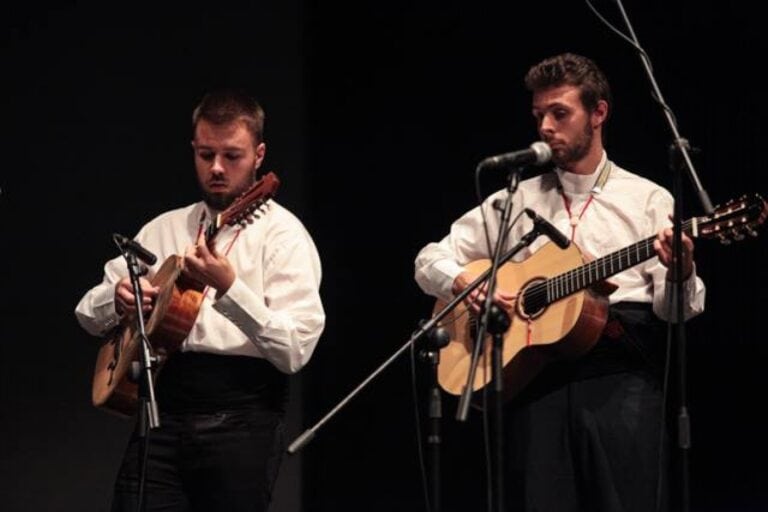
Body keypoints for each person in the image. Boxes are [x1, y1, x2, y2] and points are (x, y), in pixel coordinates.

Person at [414, 53, 705, 512]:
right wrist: (467, 284)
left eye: (560, 113)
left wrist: (680, 269)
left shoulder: (648, 198)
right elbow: (430, 258)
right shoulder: (517, 199)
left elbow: (677, 311)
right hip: (536, 380)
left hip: (619, 380)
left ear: (599, 113)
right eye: (538, 115)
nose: (546, 127)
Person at [75, 88, 325, 511]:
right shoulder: (163, 229)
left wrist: (231, 289)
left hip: (242, 419)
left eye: (232, 156)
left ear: (259, 155)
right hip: (162, 413)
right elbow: (85, 312)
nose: (216, 168)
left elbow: (295, 350)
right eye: (205, 154)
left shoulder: (283, 236)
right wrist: (116, 300)